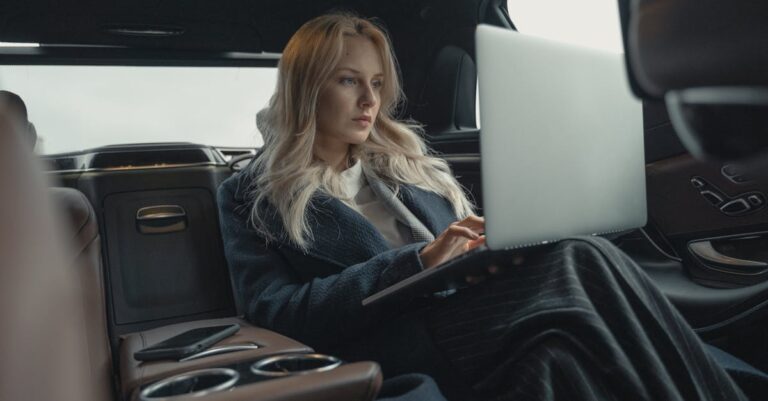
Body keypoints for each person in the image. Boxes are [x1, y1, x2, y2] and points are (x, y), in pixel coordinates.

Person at [218, 13, 747, 400]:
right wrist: (417, 262)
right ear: (307, 86)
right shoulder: (250, 194)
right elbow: (277, 313)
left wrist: (483, 249)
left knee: (568, 307)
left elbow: (459, 247)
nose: (370, 101)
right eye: (349, 80)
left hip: (468, 301)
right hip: (394, 332)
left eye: (377, 83)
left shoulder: (407, 164)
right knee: (580, 262)